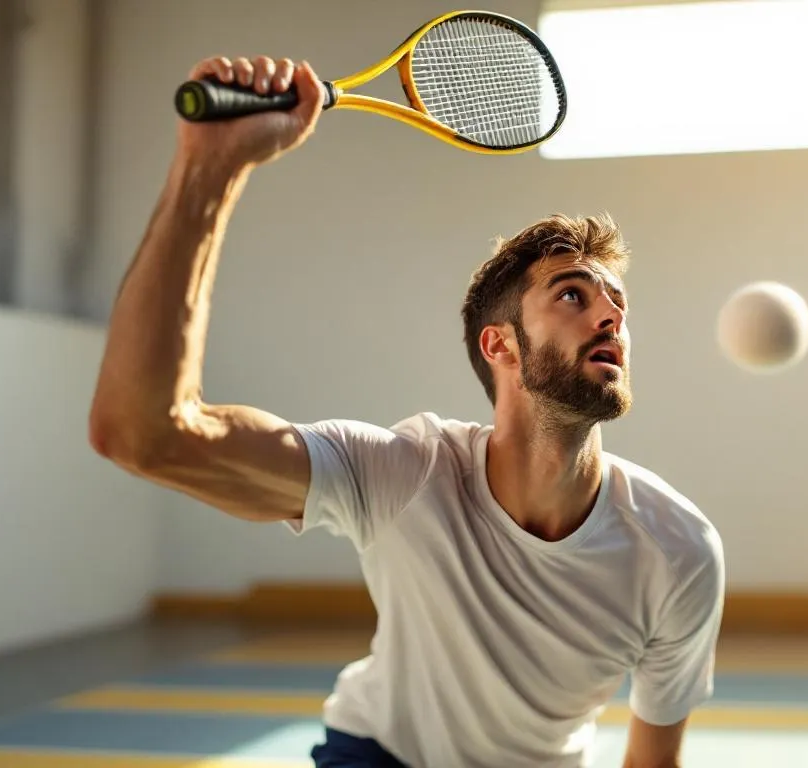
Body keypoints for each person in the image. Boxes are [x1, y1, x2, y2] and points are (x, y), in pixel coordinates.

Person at [88, 55, 726, 768]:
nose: (610, 314)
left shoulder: (678, 552)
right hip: (378, 754)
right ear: (501, 345)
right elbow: (144, 433)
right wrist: (210, 169)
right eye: (574, 295)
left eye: (618, 303)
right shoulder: (402, 474)